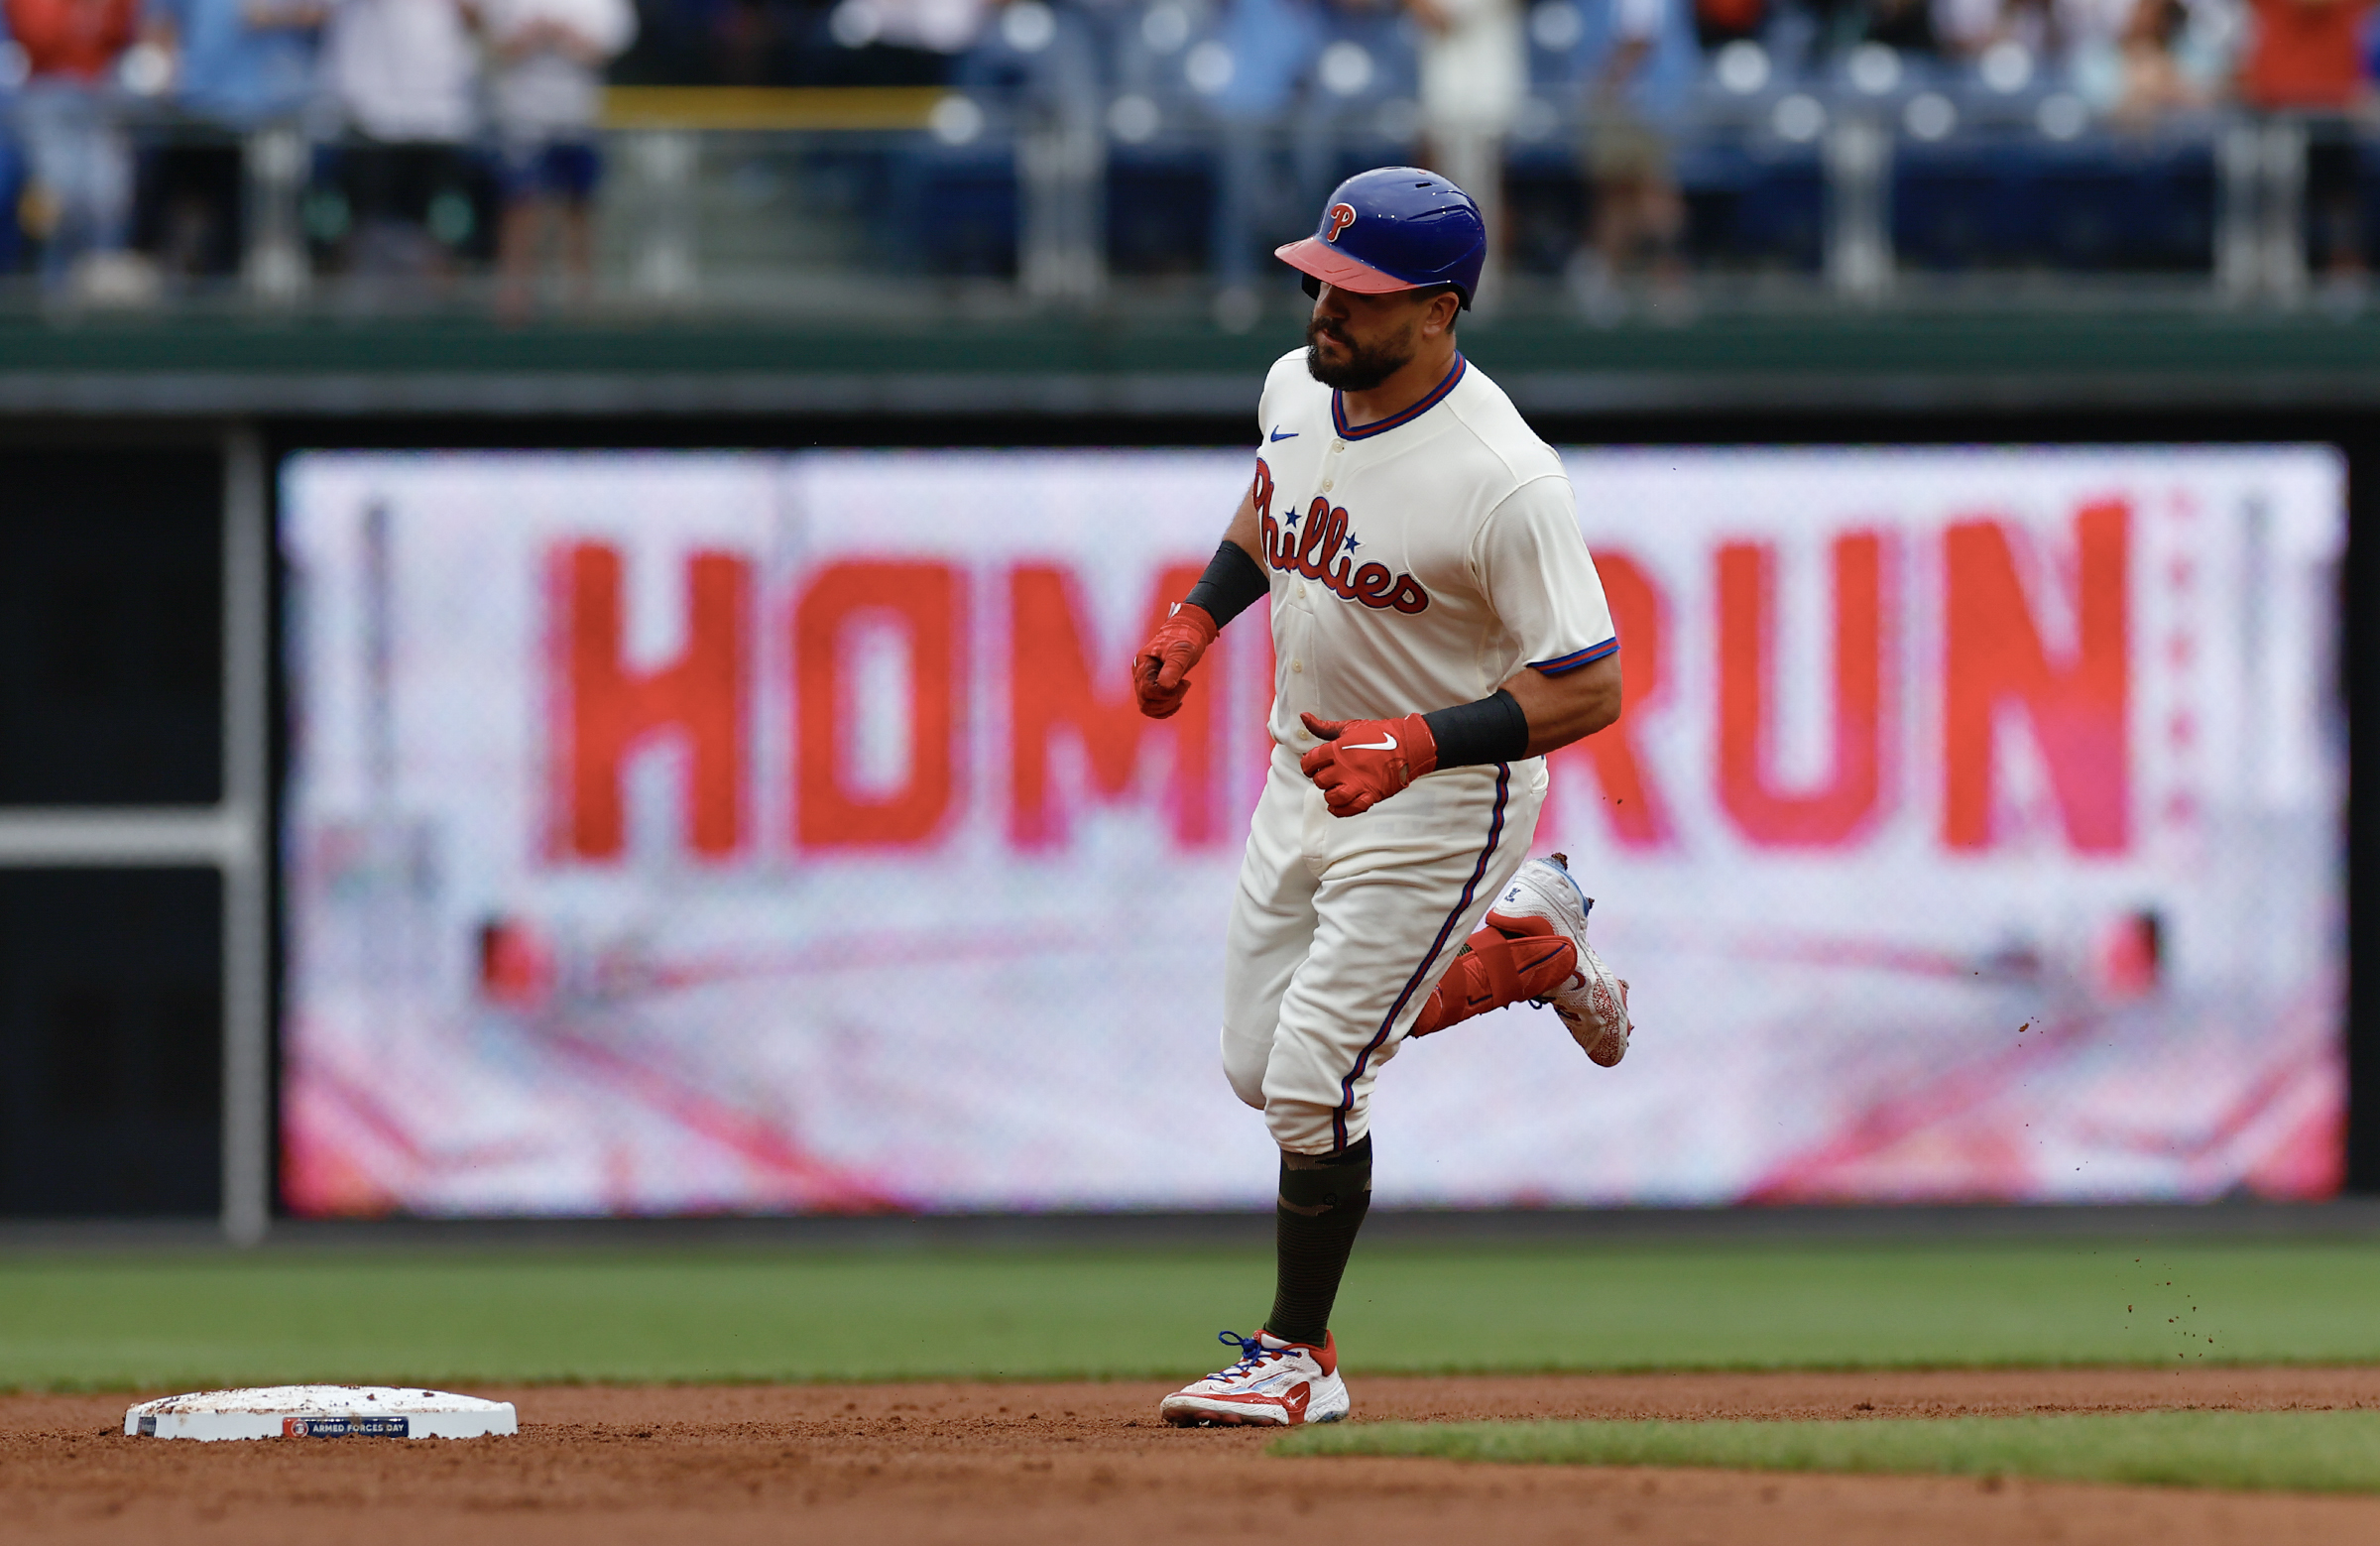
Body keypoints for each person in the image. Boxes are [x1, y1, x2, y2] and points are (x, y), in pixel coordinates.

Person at [1132, 168, 1633, 1428]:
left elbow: (1589, 685)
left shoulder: (1504, 476)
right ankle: (1530, 948)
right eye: (1319, 277)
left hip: (1440, 797)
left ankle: (1299, 1352)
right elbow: (1274, 501)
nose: (1324, 306)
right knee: (1259, 1068)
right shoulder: (1301, 386)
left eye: (1358, 291)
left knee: (1313, 1081)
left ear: (1439, 311)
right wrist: (1198, 617)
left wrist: (1415, 745)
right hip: (1302, 773)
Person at [139, 0, 323, 278]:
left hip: (275, 112)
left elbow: (325, 14)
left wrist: (278, 14)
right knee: (185, 217)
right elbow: (160, 23)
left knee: (268, 229)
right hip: (196, 107)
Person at [479, 0, 634, 309]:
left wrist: (559, 36)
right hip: (524, 120)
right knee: (521, 206)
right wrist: (538, 37)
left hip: (578, 119)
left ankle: (579, 299)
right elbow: (494, 47)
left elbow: (602, 51)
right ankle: (515, 298)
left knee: (579, 208)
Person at [318, 0, 482, 278]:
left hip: (440, 116)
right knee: (363, 227)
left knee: (438, 230)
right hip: (372, 115)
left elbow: (475, 17)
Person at [7, 0, 142, 290]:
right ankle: (52, 291)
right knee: (59, 197)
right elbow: (39, 38)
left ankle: (101, 289)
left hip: (101, 91)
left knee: (107, 196)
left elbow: (123, 31)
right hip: (48, 92)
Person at [2238, 0, 2374, 278]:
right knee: (2269, 171)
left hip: (2338, 115)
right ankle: (2267, 271)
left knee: (2342, 191)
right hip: (2273, 112)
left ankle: (2344, 266)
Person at [1407, 0, 1520, 305]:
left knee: (1482, 190)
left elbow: (1440, 15)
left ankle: (1484, 286)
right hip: (1444, 84)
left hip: (1485, 82)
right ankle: (1446, 279)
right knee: (1438, 187)